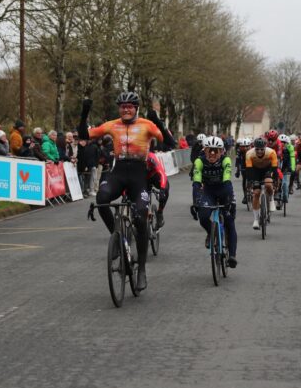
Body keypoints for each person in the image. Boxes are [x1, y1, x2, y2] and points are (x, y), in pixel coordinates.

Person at [78, 92, 176, 291]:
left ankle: (141, 270)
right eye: (122, 106)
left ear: (136, 108)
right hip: (119, 172)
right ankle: (116, 236)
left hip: (139, 176)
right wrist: (84, 113)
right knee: (102, 199)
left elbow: (169, 143)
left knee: (140, 219)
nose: (126, 109)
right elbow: (84, 135)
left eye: (130, 106)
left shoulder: (147, 125)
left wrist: (159, 122)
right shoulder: (111, 125)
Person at [192, 136, 238, 267]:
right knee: (203, 216)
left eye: (215, 150)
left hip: (224, 190)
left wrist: (228, 201)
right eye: (209, 150)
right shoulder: (199, 161)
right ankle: (211, 232)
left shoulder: (226, 160)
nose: (212, 153)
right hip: (208, 192)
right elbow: (196, 183)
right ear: (204, 151)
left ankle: (232, 255)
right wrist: (196, 202)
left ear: (221, 152)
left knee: (229, 222)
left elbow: (227, 180)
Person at [245, 136, 278, 229]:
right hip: (255, 171)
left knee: (268, 183)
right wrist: (251, 181)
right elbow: (249, 170)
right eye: (257, 149)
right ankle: (256, 219)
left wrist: (274, 180)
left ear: (265, 148)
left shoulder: (271, 152)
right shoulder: (249, 154)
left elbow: (275, 168)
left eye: (261, 149)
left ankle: (271, 199)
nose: (259, 151)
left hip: (267, 169)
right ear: (254, 148)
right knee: (256, 193)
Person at [146, 151, 169, 228]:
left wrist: (162, 190)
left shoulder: (152, 157)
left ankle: (160, 212)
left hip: (155, 175)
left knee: (165, 190)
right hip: (144, 177)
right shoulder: (137, 159)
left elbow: (162, 174)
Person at [279, 134, 295, 202]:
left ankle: (289, 188)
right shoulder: (276, 148)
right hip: (277, 167)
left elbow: (292, 158)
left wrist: (292, 168)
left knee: (285, 181)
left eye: (284, 142)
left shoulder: (290, 148)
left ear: (287, 143)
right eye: (281, 142)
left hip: (285, 166)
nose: (282, 144)